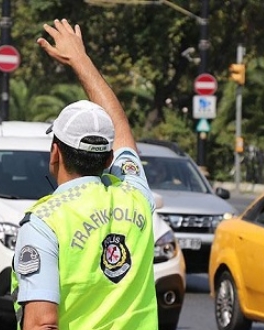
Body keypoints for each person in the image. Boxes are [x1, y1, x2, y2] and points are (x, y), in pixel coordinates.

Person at [11, 19, 158, 330]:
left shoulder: (44, 223)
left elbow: (42, 324)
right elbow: (122, 133)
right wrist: (81, 60)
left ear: (55, 152)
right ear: (108, 159)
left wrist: (76, 60)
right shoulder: (136, 198)